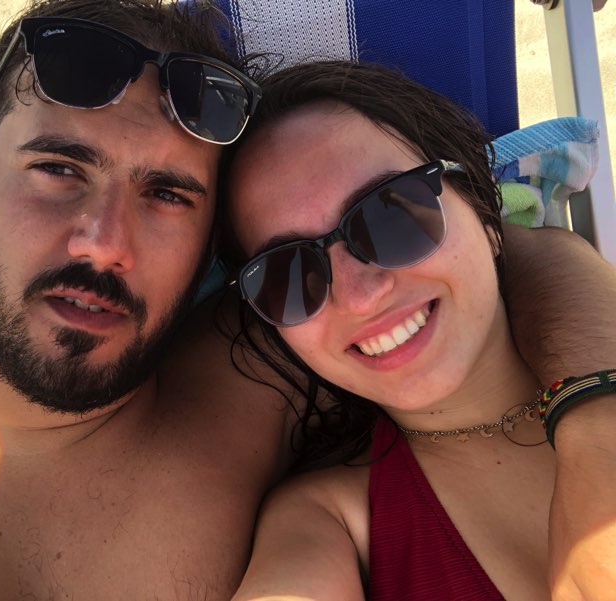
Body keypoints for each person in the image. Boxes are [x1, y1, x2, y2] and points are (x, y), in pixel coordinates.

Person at [0, 1, 613, 599]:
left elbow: (507, 255)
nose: (104, 242)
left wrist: (597, 439)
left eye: (167, 194)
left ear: (207, 254)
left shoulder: (261, 354)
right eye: (59, 169)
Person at [224, 60, 616, 600]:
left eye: (393, 214)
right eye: (288, 275)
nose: (361, 294)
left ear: (485, 214)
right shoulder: (329, 522)